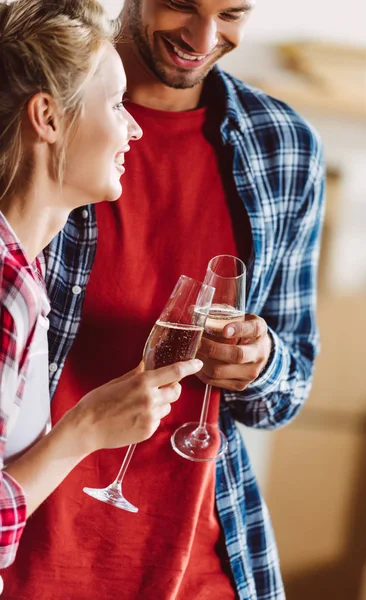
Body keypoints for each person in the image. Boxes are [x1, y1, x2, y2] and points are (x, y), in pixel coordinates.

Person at [2, 0, 325, 599]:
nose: (203, 36)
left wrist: (260, 364)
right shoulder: (43, 114)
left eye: (232, 14)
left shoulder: (284, 150)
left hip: (199, 559)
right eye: (180, 4)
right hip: (30, 546)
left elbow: (289, 388)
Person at [0, 0, 203, 580]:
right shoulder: (8, 286)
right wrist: (85, 429)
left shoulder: (26, 273)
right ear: (49, 118)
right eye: (115, 104)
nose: (134, 126)